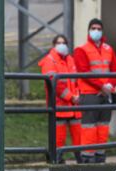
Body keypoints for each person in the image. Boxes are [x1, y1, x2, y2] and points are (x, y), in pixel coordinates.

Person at [73, 18, 116, 163]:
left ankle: (100, 155)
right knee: (89, 127)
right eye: (93, 28)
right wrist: (102, 87)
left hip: (105, 93)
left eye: (99, 28)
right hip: (89, 94)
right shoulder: (81, 49)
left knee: (103, 126)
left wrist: (110, 86)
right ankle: (87, 157)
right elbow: (84, 71)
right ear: (88, 30)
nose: (96, 31)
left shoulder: (108, 49)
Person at [38, 34, 81, 163]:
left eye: (64, 43)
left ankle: (81, 161)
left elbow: (76, 80)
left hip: (74, 107)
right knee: (58, 139)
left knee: (79, 138)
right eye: (59, 43)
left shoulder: (70, 60)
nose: (62, 45)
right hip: (59, 106)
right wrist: (71, 97)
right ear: (54, 45)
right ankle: (56, 161)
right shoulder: (49, 60)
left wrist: (77, 95)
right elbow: (54, 84)